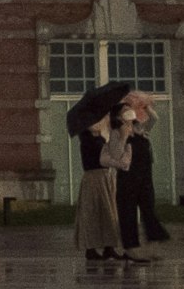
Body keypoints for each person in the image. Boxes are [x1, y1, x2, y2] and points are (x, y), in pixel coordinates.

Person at [118, 96, 171, 260]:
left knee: (149, 209)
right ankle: (130, 247)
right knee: (128, 212)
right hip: (128, 178)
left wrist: (146, 106)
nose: (130, 113)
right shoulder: (120, 133)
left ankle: (153, 242)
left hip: (144, 178)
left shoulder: (142, 131)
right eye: (126, 111)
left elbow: (154, 118)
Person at [72, 104, 123, 263]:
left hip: (104, 176)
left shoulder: (99, 139)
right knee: (92, 213)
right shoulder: (88, 139)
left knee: (108, 212)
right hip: (95, 178)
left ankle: (109, 247)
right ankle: (91, 248)